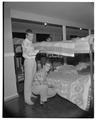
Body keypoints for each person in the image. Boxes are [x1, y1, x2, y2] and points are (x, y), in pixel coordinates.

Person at [22, 29, 39, 105]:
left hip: (33, 61)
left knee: (32, 79)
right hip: (28, 61)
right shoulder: (25, 42)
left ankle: (31, 93)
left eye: (33, 36)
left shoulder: (31, 42)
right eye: (31, 36)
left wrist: (37, 50)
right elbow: (28, 53)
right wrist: (37, 51)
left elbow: (33, 52)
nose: (32, 37)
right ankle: (27, 99)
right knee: (28, 80)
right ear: (26, 35)